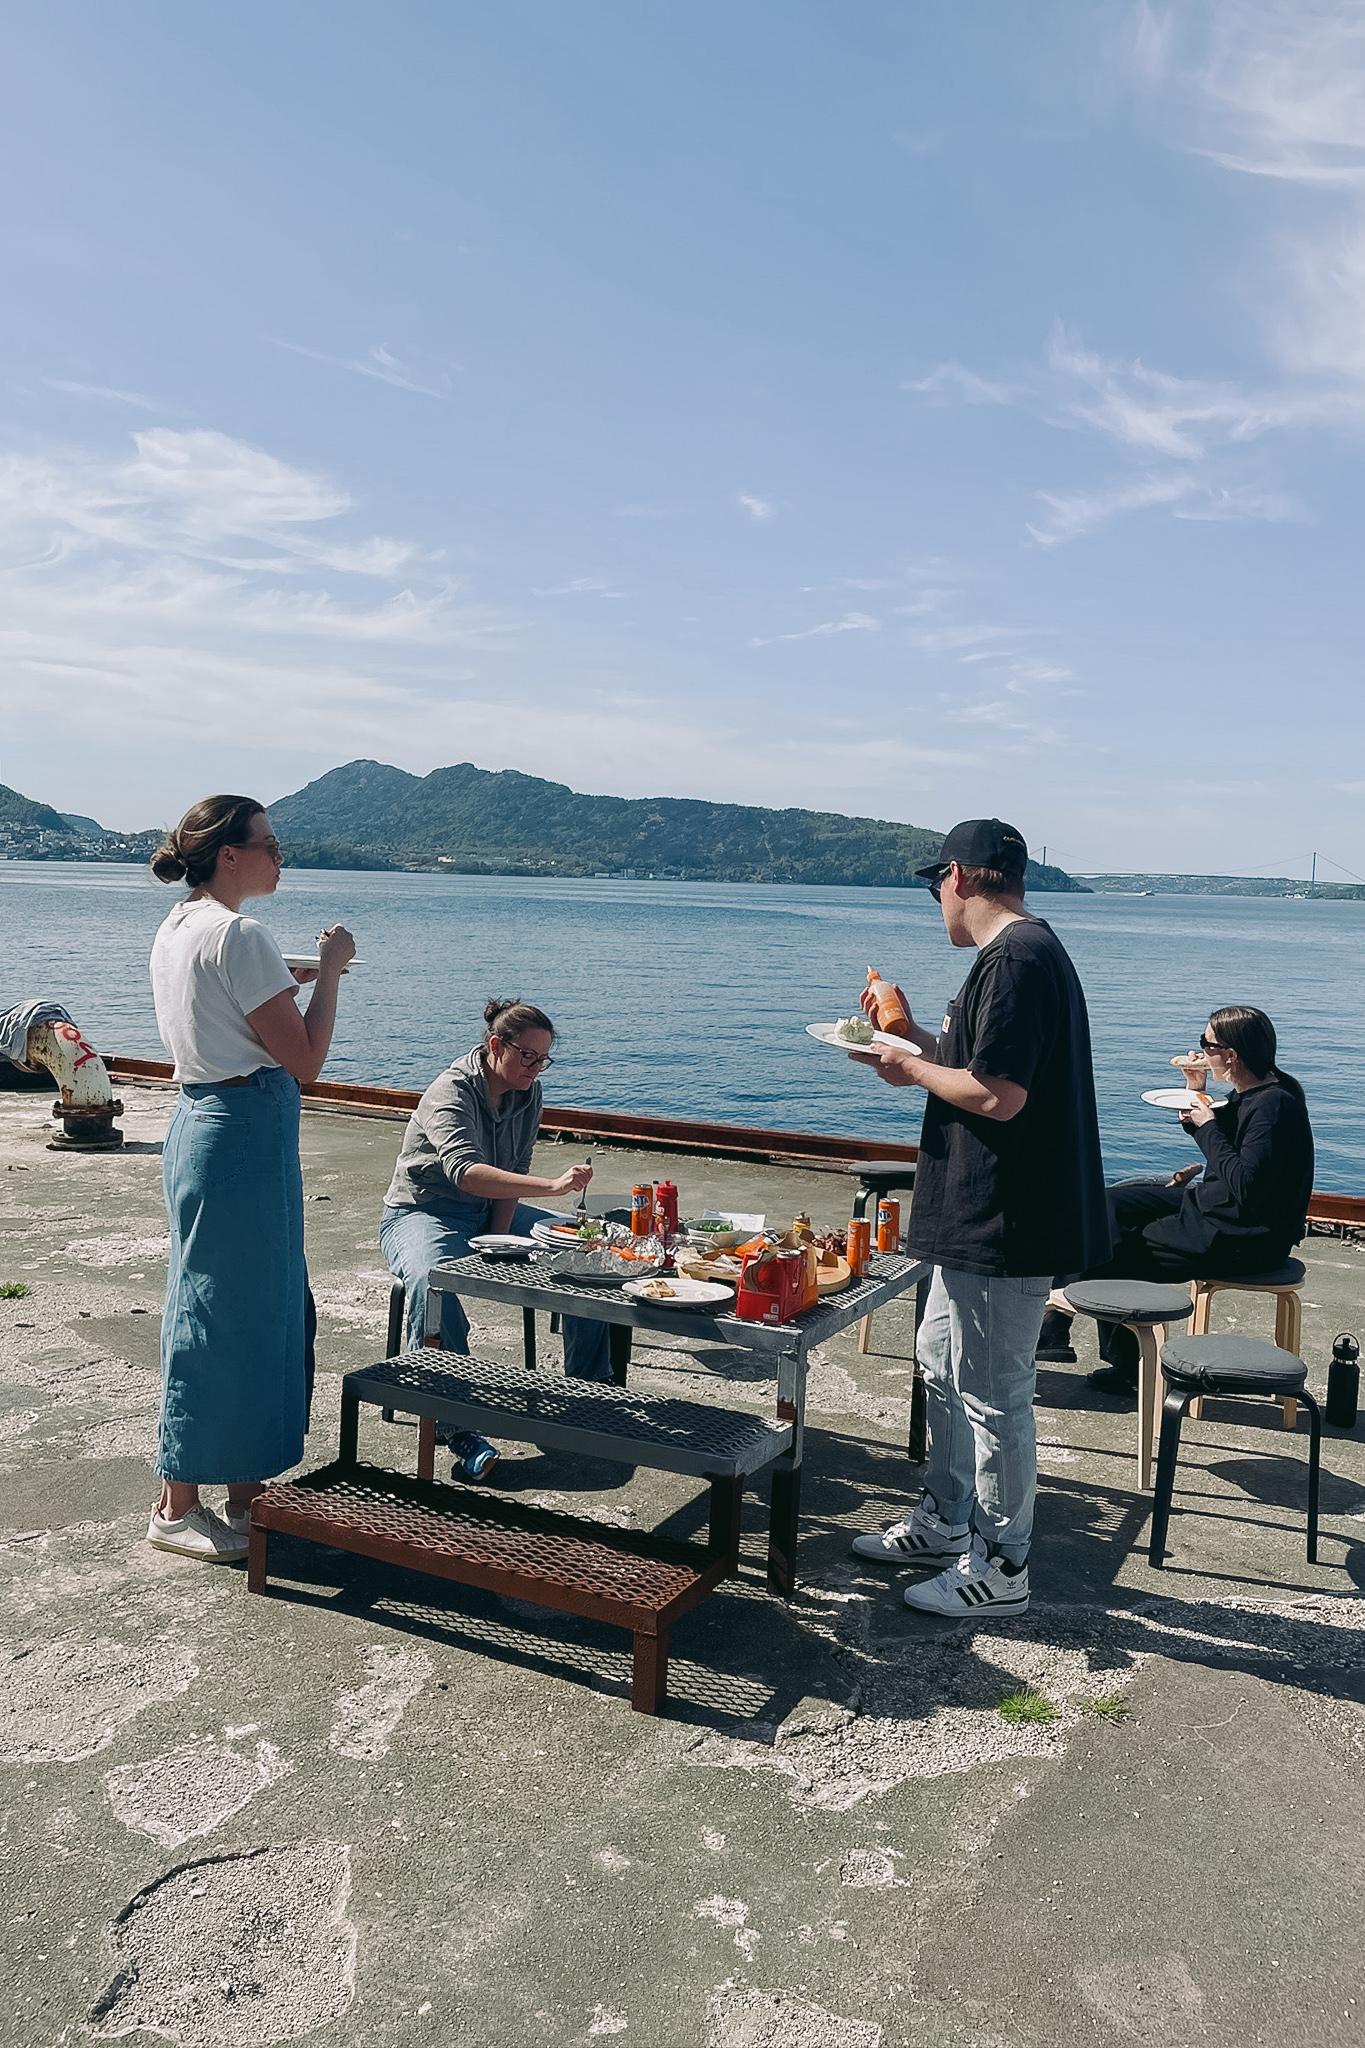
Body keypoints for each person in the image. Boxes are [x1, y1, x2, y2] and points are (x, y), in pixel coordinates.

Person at [847, 819, 1110, 1617]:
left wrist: (910, 1063)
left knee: (995, 1391)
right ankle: (943, 1519)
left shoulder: (1018, 958)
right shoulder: (1014, 958)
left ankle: (1002, 1567)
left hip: (1006, 1214)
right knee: (939, 1364)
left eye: (935, 886)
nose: (936, 903)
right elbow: (973, 1069)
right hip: (975, 1208)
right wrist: (904, 1043)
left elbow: (998, 1096)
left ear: (957, 876)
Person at [148, 795, 355, 1562]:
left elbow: (220, 1012)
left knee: (226, 1308)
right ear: (228, 854)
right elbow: (303, 1060)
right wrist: (330, 974)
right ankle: (178, 1504)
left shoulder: (180, 927)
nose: (279, 855)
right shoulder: (239, 933)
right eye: (267, 844)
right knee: (233, 1316)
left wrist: (285, 977)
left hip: (203, 1119)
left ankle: (238, 1495)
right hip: (244, 1129)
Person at [379, 998, 606, 1480]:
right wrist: (553, 1187)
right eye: (528, 1056)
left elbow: (512, 1171)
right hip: (423, 1212)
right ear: (495, 1046)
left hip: (487, 1212)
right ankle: (453, 1423)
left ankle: (588, 1392)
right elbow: (465, 1173)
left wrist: (497, 1241)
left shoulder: (529, 1093)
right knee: (431, 1278)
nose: (535, 1068)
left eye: (543, 1059)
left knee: (585, 1249)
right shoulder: (451, 1090)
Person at [1035, 1005, 1314, 1395]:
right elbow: (1225, 1141)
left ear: (1231, 1055)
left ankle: (1103, 1352)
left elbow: (1244, 1183)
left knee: (1113, 1247)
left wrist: (1207, 1126)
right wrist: (1196, 1092)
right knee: (1107, 1205)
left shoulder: (1273, 1105)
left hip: (1240, 1236)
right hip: (1214, 1206)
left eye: (1207, 1044)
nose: (1201, 1050)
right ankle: (1059, 1325)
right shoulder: (1260, 1091)